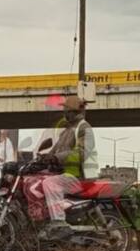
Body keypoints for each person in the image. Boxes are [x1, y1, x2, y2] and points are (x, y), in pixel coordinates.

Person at [41, 95, 98, 239]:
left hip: (80, 176)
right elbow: (55, 150)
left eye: (66, 110)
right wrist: (42, 159)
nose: (64, 113)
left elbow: (81, 153)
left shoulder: (84, 128)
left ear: (74, 112)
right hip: (67, 174)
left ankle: (59, 222)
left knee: (50, 183)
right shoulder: (67, 130)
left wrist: (56, 158)